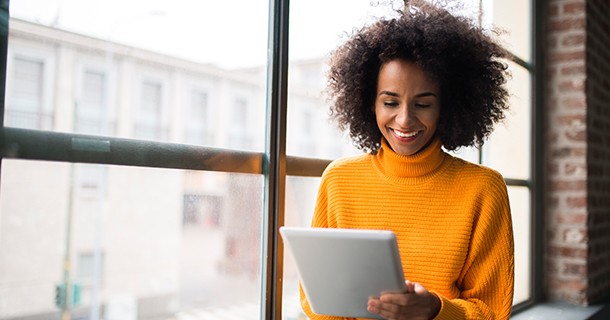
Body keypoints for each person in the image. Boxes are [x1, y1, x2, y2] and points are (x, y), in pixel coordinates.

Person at [300, 1, 515, 319]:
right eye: (390, 101)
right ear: (368, 102)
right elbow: (314, 299)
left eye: (423, 104)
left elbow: (492, 310)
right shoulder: (339, 179)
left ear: (448, 106)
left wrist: (434, 310)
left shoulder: (483, 189)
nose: (404, 120)